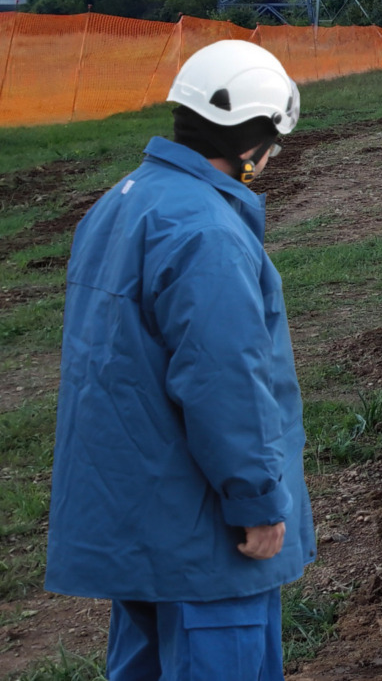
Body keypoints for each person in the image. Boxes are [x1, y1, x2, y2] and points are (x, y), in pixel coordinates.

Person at [45, 39, 316, 681]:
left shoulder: (122, 201)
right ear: (252, 140)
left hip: (136, 517)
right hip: (201, 540)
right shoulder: (208, 232)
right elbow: (224, 381)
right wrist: (255, 500)